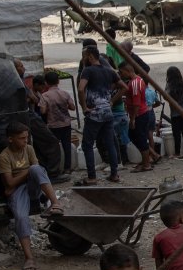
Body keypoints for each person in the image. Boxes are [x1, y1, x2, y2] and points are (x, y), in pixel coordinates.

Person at [0, 121, 63, 270]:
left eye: (26, 137)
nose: (25, 141)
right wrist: (27, 172)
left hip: (33, 186)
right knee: (20, 217)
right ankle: (29, 258)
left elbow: (37, 172)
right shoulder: (4, 157)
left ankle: (55, 203)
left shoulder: (29, 149)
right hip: (19, 190)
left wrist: (27, 173)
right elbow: (10, 182)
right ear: (10, 139)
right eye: (21, 138)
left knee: (36, 169)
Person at [77, 46, 127, 184]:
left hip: (94, 113)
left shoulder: (87, 71)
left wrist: (84, 107)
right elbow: (124, 87)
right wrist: (111, 101)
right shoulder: (109, 71)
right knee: (110, 142)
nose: (83, 59)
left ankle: (92, 177)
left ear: (90, 56)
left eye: (84, 56)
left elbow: (81, 89)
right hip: (107, 112)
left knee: (87, 144)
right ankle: (114, 174)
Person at [118, 60, 158, 172]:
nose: (121, 75)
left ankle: (146, 164)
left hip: (139, 114)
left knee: (139, 138)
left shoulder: (135, 82)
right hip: (141, 113)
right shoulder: (137, 80)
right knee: (136, 137)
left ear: (128, 71)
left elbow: (136, 103)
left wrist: (133, 119)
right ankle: (146, 160)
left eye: (122, 72)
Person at [38, 71, 76, 173]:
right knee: (67, 145)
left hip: (53, 125)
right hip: (66, 124)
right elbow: (73, 107)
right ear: (58, 81)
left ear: (46, 83)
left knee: (53, 147)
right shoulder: (65, 93)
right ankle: (67, 168)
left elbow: (43, 111)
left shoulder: (45, 96)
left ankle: (55, 168)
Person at [163, 66, 183, 159]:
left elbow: (165, 96)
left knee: (176, 134)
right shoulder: (182, 83)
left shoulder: (169, 85)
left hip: (175, 113)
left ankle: (177, 153)